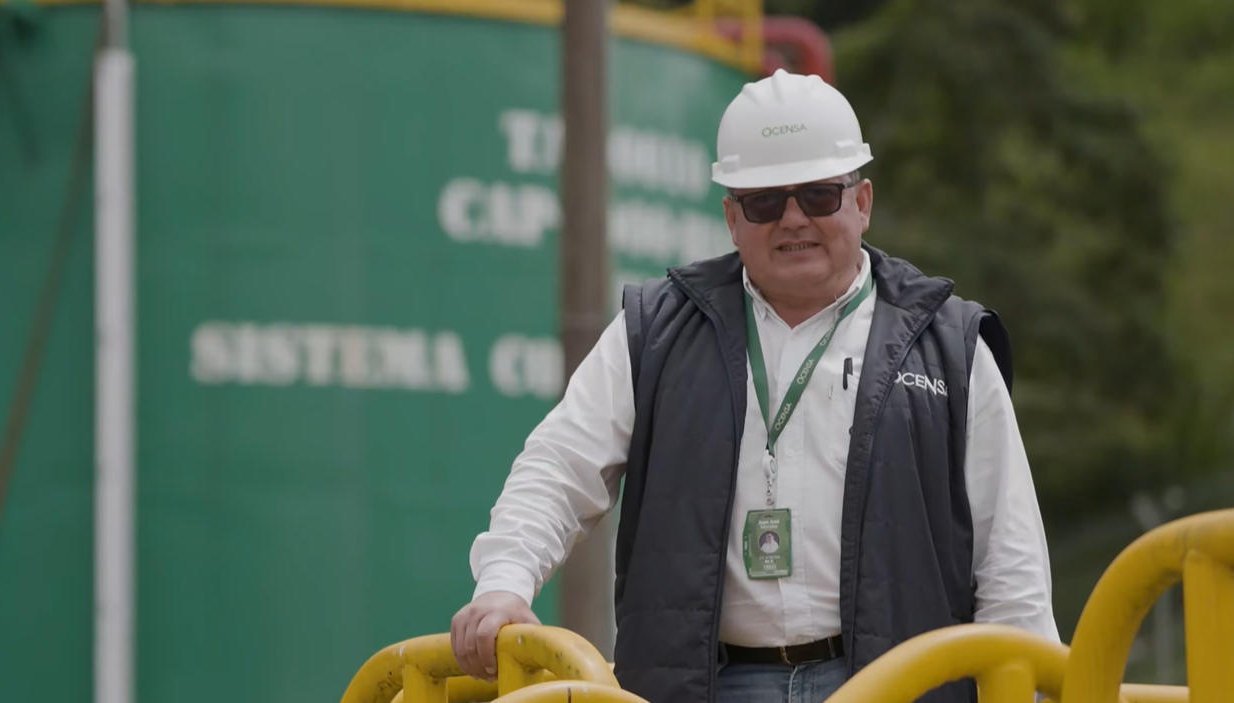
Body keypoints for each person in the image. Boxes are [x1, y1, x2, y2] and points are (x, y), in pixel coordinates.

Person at [448, 69, 1057, 703]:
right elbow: (559, 466)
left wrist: (1030, 686)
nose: (794, 219)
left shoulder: (950, 345)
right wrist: (504, 581)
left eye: (819, 195)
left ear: (863, 201)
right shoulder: (652, 334)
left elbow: (1009, 559)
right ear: (732, 218)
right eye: (766, 201)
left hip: (895, 688)